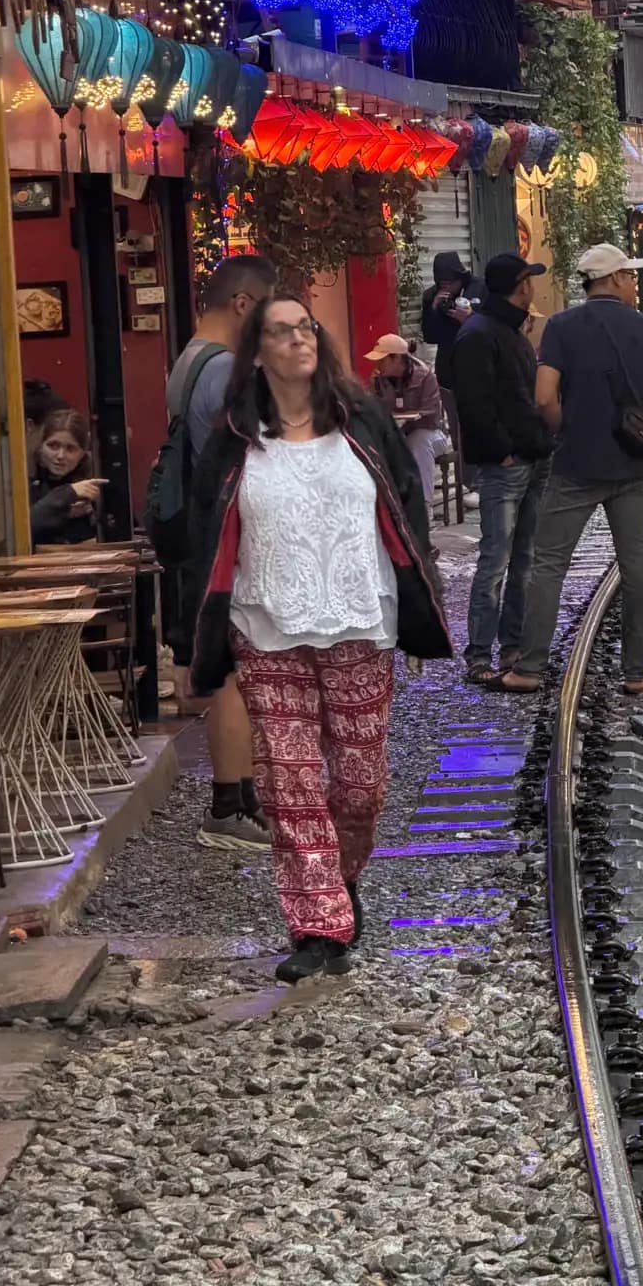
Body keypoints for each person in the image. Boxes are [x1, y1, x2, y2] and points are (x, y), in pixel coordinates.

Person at [181, 294, 451, 984]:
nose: (298, 339)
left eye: (305, 327)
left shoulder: (361, 420)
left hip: (361, 622)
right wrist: (197, 639)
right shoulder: (235, 436)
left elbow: (407, 510)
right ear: (257, 351)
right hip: (265, 627)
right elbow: (201, 536)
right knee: (290, 782)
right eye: (281, 332)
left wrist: (421, 608)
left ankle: (341, 876)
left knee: (361, 787)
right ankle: (317, 924)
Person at [505, 244, 643, 696]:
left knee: (549, 564)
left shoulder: (560, 328)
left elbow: (544, 396)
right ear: (616, 278)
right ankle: (636, 672)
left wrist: (565, 427)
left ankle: (530, 668)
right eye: (631, 275)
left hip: (574, 465)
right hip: (631, 466)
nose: (635, 283)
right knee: (635, 565)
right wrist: (641, 425)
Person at [166, 253, 276, 852]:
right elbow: (254, 453)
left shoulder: (190, 360)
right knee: (236, 670)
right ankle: (229, 806)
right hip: (228, 534)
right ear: (242, 304)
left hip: (209, 531)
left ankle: (244, 800)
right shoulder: (223, 370)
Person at [449, 253, 554, 688]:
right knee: (496, 559)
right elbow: (474, 405)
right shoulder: (480, 334)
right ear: (520, 285)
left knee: (523, 558)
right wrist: (502, 452)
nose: (533, 288)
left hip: (530, 457)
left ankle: (512, 645)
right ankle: (479, 654)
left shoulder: (507, 330)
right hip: (507, 462)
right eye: (530, 280)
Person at [365, 334, 447, 505]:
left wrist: (409, 417)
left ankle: (423, 504)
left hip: (430, 433)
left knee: (418, 442)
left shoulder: (425, 376)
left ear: (396, 359)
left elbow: (431, 411)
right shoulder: (379, 379)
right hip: (398, 434)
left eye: (382, 360)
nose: (378, 365)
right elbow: (374, 410)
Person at [29, 409, 103, 545]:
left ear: (82, 453)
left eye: (70, 449)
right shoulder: (25, 481)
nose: (60, 456)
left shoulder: (95, 482)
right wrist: (69, 493)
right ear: (41, 446)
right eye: (53, 446)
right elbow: (26, 526)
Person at [421, 251, 480, 392]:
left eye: (450, 283)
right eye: (443, 284)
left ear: (460, 278)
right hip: (448, 366)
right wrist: (434, 309)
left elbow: (493, 324)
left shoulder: (479, 287)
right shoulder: (432, 295)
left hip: (477, 362)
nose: (447, 287)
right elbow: (429, 337)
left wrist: (470, 318)